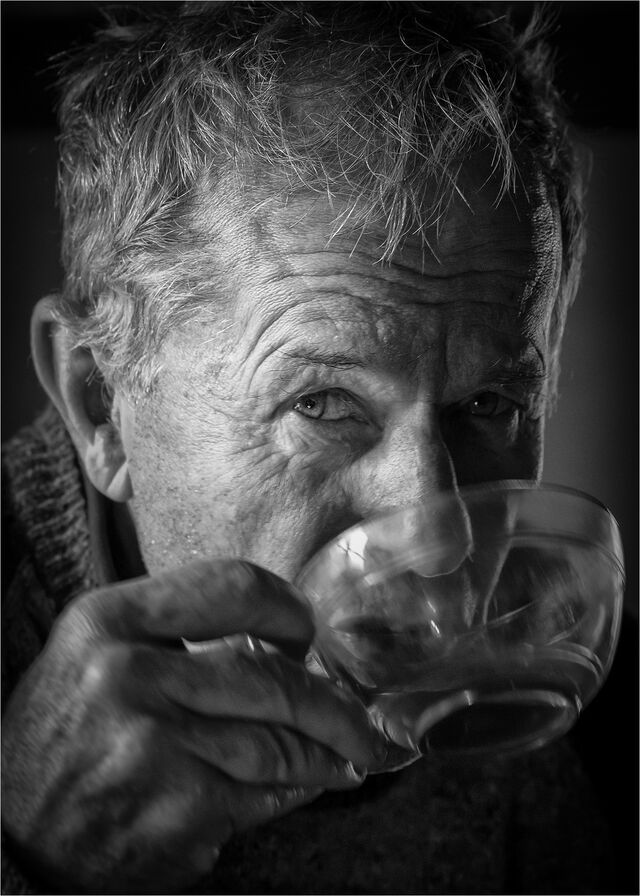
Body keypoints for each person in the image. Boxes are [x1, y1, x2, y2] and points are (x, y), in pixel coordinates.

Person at [1, 2, 633, 893]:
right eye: (323, 403)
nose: (440, 542)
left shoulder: (580, 714)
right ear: (101, 403)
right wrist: (27, 859)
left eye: (489, 403)